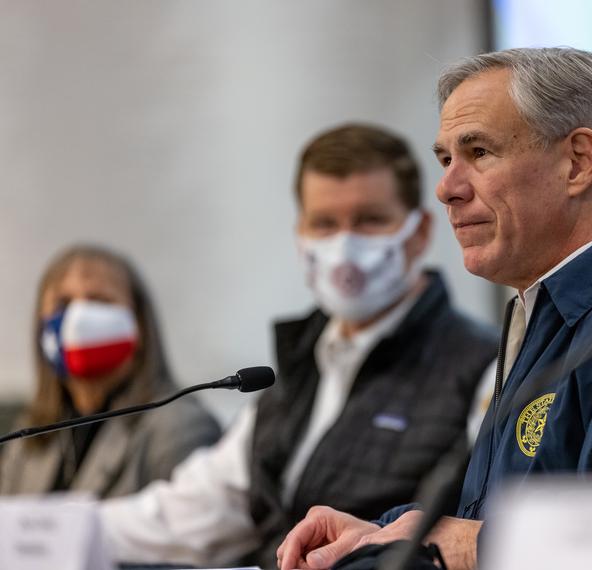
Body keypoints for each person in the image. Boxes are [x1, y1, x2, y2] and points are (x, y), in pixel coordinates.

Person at [276, 48, 592, 570]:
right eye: (445, 159)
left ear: (578, 162)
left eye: (478, 152)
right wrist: (389, 535)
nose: (447, 189)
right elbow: (492, 519)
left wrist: (462, 544)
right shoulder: (549, 317)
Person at [100, 124, 499, 568]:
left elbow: (483, 533)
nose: (344, 246)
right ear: (301, 234)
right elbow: (192, 515)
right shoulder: (295, 368)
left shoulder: (485, 367)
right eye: (325, 224)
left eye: (369, 220)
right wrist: (42, 529)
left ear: (420, 231)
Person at [0, 245, 221, 498]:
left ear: (139, 325)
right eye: (63, 303)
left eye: (99, 301)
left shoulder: (180, 427)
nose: (77, 317)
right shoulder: (29, 432)